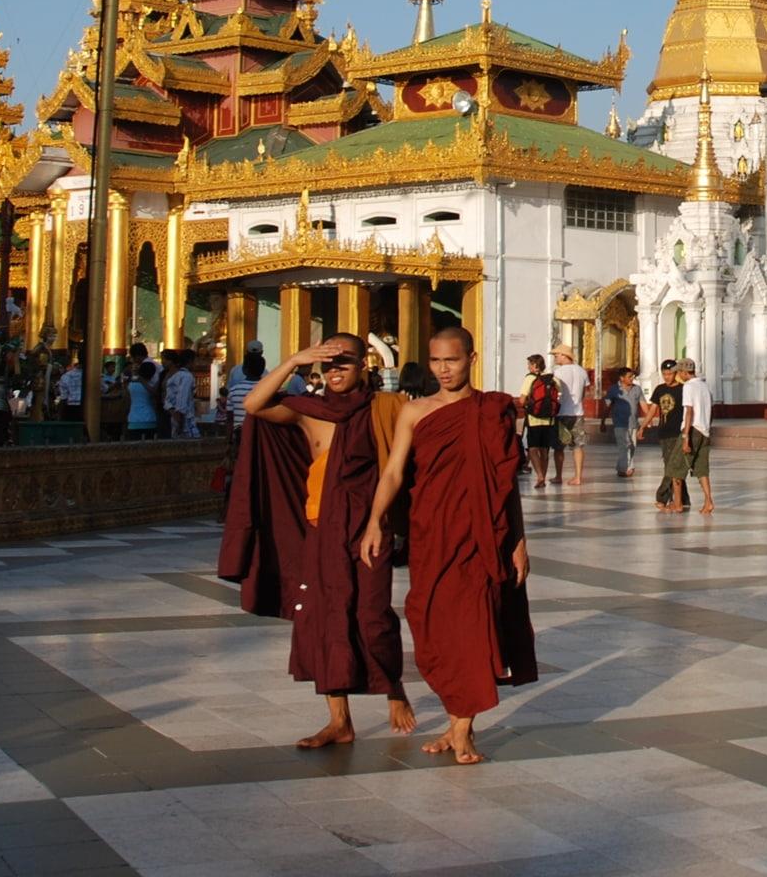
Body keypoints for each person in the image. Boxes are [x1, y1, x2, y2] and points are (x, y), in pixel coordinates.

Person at [359, 326, 537, 763]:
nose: (443, 369)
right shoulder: (414, 412)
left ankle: (462, 730)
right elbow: (395, 473)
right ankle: (456, 711)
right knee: (431, 627)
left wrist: (518, 541)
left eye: (451, 361)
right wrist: (374, 522)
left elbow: (504, 485)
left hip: (481, 538)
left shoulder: (492, 410)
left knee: (474, 627)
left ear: (471, 360)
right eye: (436, 361)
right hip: (432, 533)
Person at [228, 338, 416, 748]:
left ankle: (394, 690)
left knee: (371, 614)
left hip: (369, 529)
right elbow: (253, 406)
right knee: (324, 618)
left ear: (363, 365)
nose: (335, 371)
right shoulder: (310, 413)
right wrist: (294, 360)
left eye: (344, 363)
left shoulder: (385, 409)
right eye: (328, 364)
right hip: (320, 527)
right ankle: (339, 721)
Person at [550, 344, 591, 486]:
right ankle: (578, 476)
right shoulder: (582, 371)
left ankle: (558, 475)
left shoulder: (558, 372)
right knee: (578, 445)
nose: (555, 358)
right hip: (578, 412)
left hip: (562, 412)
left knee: (559, 446)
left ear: (564, 355)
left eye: (556, 355)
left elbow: (555, 392)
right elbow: (584, 392)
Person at [648, 366, 688, 512]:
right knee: (671, 465)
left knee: (673, 466)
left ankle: (662, 496)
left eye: (670, 374)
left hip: (678, 433)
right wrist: (643, 425)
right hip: (664, 433)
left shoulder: (684, 389)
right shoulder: (659, 389)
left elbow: (689, 410)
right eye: (664, 374)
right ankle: (683, 498)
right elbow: (653, 409)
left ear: (675, 373)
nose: (667, 377)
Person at [679, 360, 716, 515]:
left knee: (677, 467)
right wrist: (707, 427)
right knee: (702, 469)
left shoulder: (688, 386)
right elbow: (711, 410)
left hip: (693, 429)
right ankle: (708, 501)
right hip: (705, 431)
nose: (678, 375)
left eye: (679, 372)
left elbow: (689, 411)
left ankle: (677, 503)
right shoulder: (704, 386)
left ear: (684, 372)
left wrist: (685, 436)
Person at [520, 354, 561, 489]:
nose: (528, 367)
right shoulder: (552, 378)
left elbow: (521, 400)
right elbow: (559, 393)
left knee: (532, 449)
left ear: (534, 365)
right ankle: (543, 473)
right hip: (549, 420)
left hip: (534, 419)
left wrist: (528, 405)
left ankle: (540, 476)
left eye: (529, 364)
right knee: (544, 450)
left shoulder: (529, 379)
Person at [605, 367, 639, 478]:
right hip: (620, 423)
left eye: (633, 376)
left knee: (632, 446)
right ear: (622, 378)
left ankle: (620, 467)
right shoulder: (614, 389)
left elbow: (643, 404)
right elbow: (607, 406)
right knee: (624, 446)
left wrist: (648, 420)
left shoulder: (637, 389)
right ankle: (627, 468)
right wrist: (603, 421)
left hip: (633, 423)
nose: (632, 378)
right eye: (629, 376)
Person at [163, 349, 200, 439]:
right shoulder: (187, 377)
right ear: (190, 362)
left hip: (175, 417)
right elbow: (182, 400)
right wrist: (180, 421)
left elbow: (167, 401)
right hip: (185, 421)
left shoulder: (174, 376)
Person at [125, 361, 162, 440]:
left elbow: (127, 403)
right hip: (150, 418)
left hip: (133, 420)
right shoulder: (153, 386)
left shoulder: (131, 385)